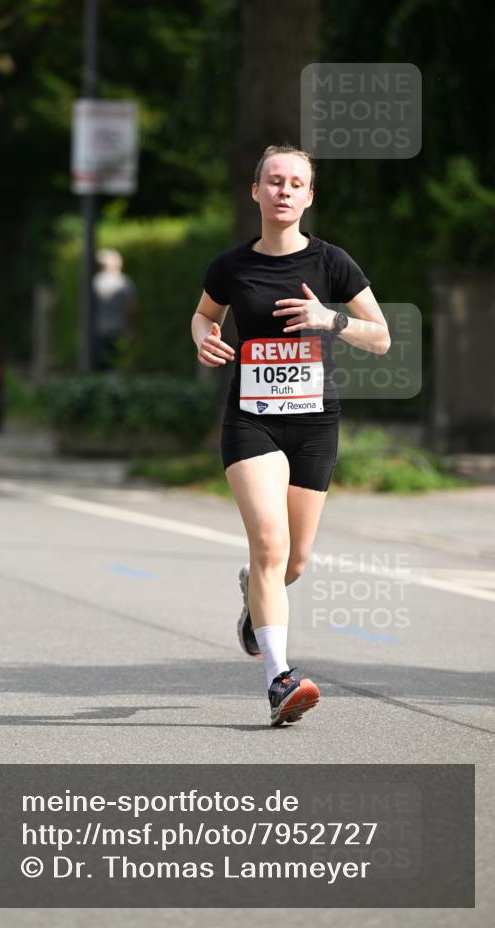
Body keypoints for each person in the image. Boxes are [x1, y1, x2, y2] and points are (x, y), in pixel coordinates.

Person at [191, 144, 390, 727]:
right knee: (271, 546)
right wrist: (203, 337)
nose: (284, 191)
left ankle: (253, 599)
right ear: (256, 191)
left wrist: (332, 319)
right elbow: (205, 314)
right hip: (251, 419)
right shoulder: (230, 266)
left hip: (314, 422)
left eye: (295, 183)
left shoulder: (332, 263)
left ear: (308, 197)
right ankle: (279, 680)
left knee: (294, 560)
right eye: (274, 181)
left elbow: (381, 337)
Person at [92, 247, 137, 370]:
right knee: (119, 363)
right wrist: (132, 328)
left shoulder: (95, 281)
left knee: (102, 364)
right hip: (119, 328)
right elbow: (131, 307)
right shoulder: (125, 281)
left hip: (100, 329)